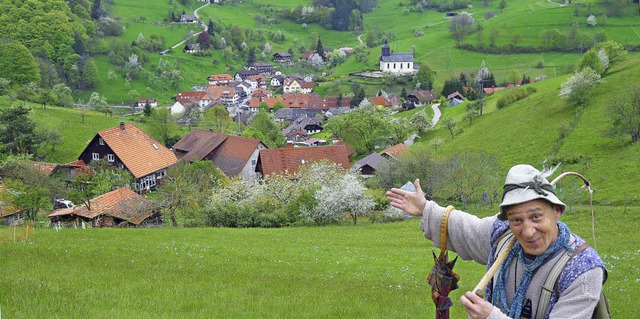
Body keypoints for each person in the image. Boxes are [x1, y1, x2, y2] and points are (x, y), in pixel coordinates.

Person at [386, 164, 605, 319]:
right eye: (517, 219)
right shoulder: (503, 235)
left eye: (536, 217)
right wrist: (425, 208)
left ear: (557, 211)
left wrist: (491, 317)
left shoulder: (583, 270)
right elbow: (465, 228)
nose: (528, 231)